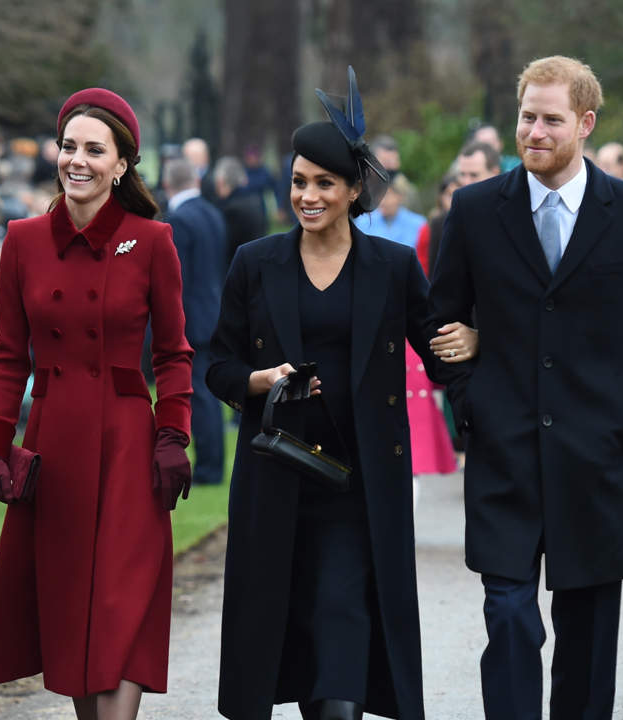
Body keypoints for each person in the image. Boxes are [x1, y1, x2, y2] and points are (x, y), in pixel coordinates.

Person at [206, 66, 476, 720]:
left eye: (324, 183)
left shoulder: (391, 266)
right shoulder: (255, 263)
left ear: (355, 190)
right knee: (283, 634)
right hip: (277, 478)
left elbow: (437, 352)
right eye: (299, 182)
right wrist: (259, 380)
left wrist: (468, 340)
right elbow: (217, 363)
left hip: (359, 489)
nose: (307, 195)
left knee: (343, 644)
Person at [427, 56, 623, 718]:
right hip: (504, 456)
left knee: (589, 639)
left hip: (595, 458)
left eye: (550, 119)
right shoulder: (477, 210)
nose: (534, 131)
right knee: (510, 619)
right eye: (526, 117)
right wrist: (469, 398)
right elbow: (439, 321)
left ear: (585, 123)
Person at [0, 87, 194, 720]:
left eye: (95, 150)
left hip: (129, 444)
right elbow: (9, 356)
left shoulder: (153, 241)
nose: (78, 160)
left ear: (122, 165)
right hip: (55, 442)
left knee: (120, 605)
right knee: (73, 613)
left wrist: (172, 436)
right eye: (69, 146)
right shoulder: (23, 240)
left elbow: (174, 353)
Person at [164, 157, 228, 486]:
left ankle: (208, 468)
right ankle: (211, 464)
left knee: (197, 394)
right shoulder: (212, 214)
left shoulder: (178, 220)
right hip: (213, 312)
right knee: (206, 393)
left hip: (190, 317)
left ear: (167, 184)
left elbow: (176, 278)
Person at [215, 156, 269, 268]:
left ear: (221, 182)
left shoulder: (231, 209)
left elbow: (226, 248)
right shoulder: (254, 200)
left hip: (240, 269)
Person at [353, 173, 426, 250]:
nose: (381, 201)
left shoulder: (418, 224)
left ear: (400, 196)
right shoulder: (363, 222)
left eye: (386, 195)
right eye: (378, 195)